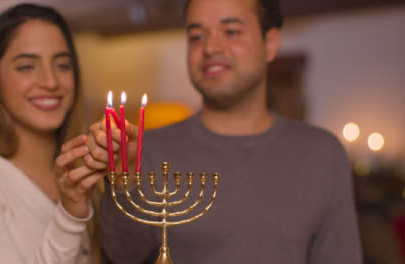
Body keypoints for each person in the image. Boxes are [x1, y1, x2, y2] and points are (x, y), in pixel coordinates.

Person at [86, 0, 363, 263]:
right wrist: (123, 179)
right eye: (196, 36)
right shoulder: (147, 150)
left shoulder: (323, 154)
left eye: (231, 31)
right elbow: (122, 256)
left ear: (271, 43)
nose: (210, 47)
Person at [0, 4, 105, 263]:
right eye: (26, 66)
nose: (50, 82)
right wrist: (69, 217)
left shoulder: (88, 176)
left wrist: (121, 182)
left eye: (62, 65)